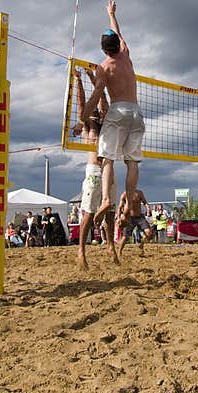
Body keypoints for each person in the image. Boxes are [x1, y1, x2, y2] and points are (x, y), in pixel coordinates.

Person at [75, 0, 144, 248]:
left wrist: (83, 118)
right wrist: (112, 14)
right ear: (118, 45)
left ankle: (106, 199)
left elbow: (96, 98)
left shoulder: (104, 67)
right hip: (136, 113)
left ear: (104, 50)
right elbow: (119, 34)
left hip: (118, 110)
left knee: (107, 158)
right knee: (133, 162)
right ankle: (131, 196)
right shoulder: (126, 55)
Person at [72, 66, 115, 269]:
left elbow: (103, 100)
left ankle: (111, 245)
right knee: (88, 214)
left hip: (108, 170)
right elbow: (81, 106)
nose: (98, 112)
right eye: (95, 111)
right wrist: (79, 80)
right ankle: (81, 250)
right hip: (93, 173)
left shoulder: (106, 123)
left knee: (110, 212)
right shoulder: (88, 126)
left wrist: (92, 77)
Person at [116, 188, 154, 258]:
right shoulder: (124, 194)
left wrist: (148, 209)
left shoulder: (139, 193)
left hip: (139, 217)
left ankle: (141, 244)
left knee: (148, 232)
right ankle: (119, 252)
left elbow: (145, 202)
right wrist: (119, 218)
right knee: (125, 237)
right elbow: (119, 207)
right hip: (129, 218)